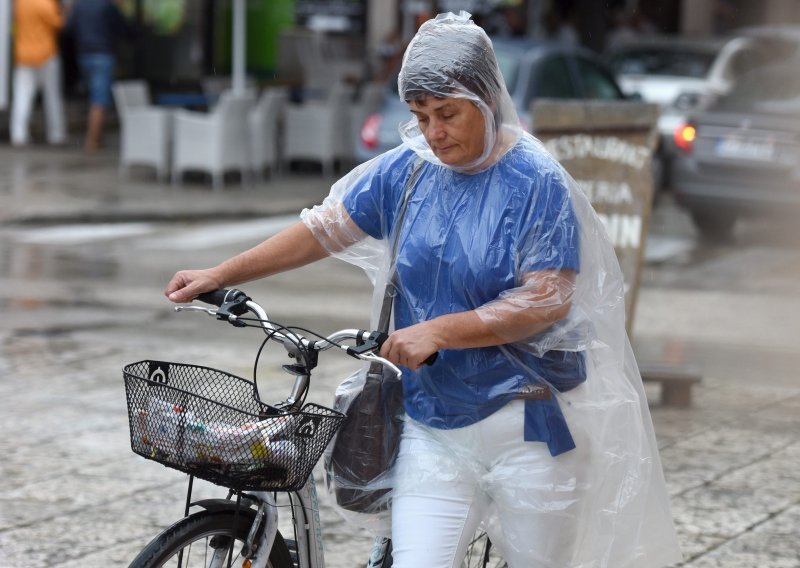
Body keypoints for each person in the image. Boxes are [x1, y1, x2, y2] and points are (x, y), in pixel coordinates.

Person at [166, 12, 682, 568]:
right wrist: (222, 274)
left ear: (486, 99)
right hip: (432, 425)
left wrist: (439, 330)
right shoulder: (409, 172)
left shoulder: (537, 181)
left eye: (448, 114)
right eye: (420, 115)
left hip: (529, 427)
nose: (434, 132)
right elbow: (322, 230)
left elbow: (547, 297)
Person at [64, 0, 130, 151]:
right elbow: (121, 28)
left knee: (94, 97)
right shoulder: (107, 6)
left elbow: (69, 29)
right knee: (99, 100)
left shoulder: (79, 5)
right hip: (103, 54)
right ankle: (92, 141)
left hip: (84, 55)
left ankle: (96, 137)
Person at [10, 0, 67, 147]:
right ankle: (56, 135)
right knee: (52, 96)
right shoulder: (46, 4)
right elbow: (59, 23)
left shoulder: (20, 3)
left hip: (23, 55)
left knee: (22, 97)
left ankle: (18, 135)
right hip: (46, 55)